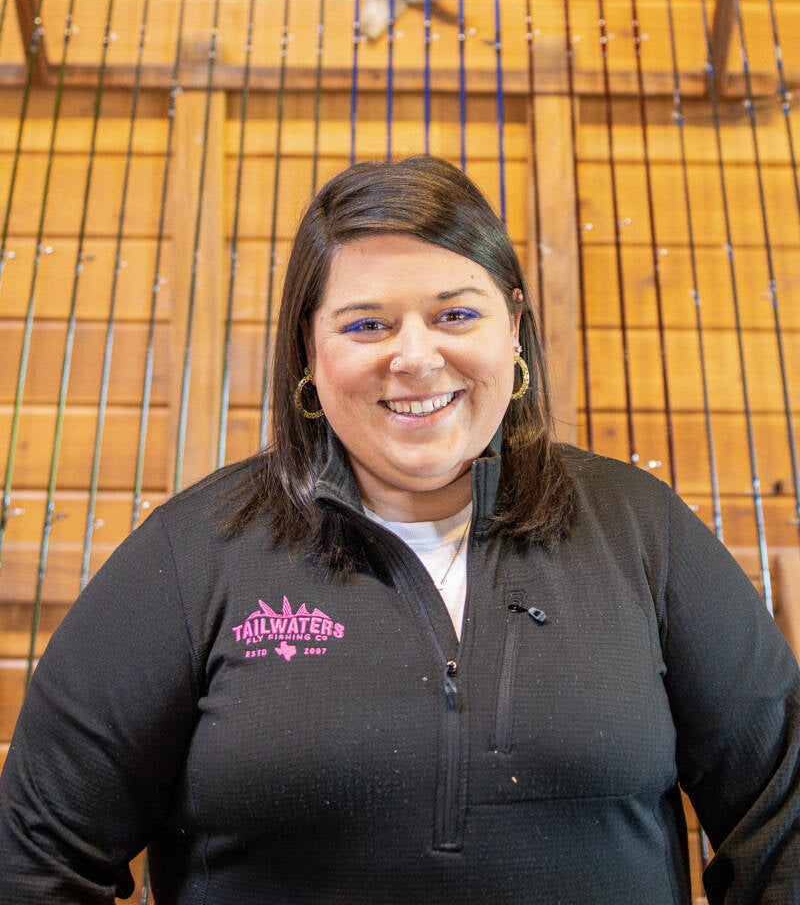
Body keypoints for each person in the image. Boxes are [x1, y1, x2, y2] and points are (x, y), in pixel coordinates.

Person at [0, 154, 798, 905]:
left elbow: (783, 816)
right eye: (367, 326)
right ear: (308, 349)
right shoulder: (193, 551)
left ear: (513, 326)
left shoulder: (642, 530)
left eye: (456, 314)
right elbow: (33, 855)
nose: (415, 358)